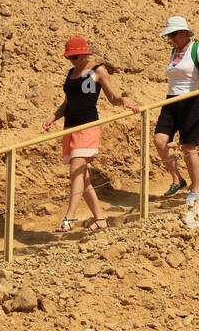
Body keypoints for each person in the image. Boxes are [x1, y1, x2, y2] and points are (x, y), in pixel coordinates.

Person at [42, 36, 139, 232]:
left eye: (76, 56)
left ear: (85, 54)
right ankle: (100, 219)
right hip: (70, 127)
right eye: (70, 57)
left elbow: (112, 97)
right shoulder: (71, 73)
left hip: (87, 126)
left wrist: (124, 100)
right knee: (83, 178)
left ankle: (69, 218)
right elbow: (68, 102)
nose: (73, 60)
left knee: (75, 171)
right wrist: (53, 117)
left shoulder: (98, 70)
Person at [153, 16, 199, 202]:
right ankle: (177, 178)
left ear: (184, 32)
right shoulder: (173, 51)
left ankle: (196, 189)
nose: (171, 38)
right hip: (172, 100)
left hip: (193, 99)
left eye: (174, 34)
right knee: (159, 140)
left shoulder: (197, 47)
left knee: (188, 146)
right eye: (169, 35)